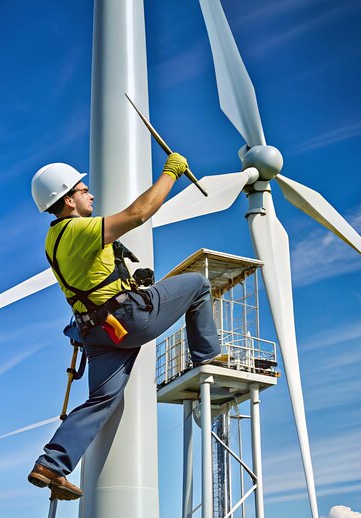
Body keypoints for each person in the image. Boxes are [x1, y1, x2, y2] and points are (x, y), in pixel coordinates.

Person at [27, 153, 220, 500]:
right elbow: (138, 214)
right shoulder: (80, 229)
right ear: (68, 199)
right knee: (197, 284)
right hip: (128, 320)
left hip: (96, 332)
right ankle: (208, 358)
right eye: (84, 191)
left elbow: (94, 278)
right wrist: (169, 173)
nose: (92, 196)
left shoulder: (52, 240)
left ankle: (51, 464)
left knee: (102, 399)